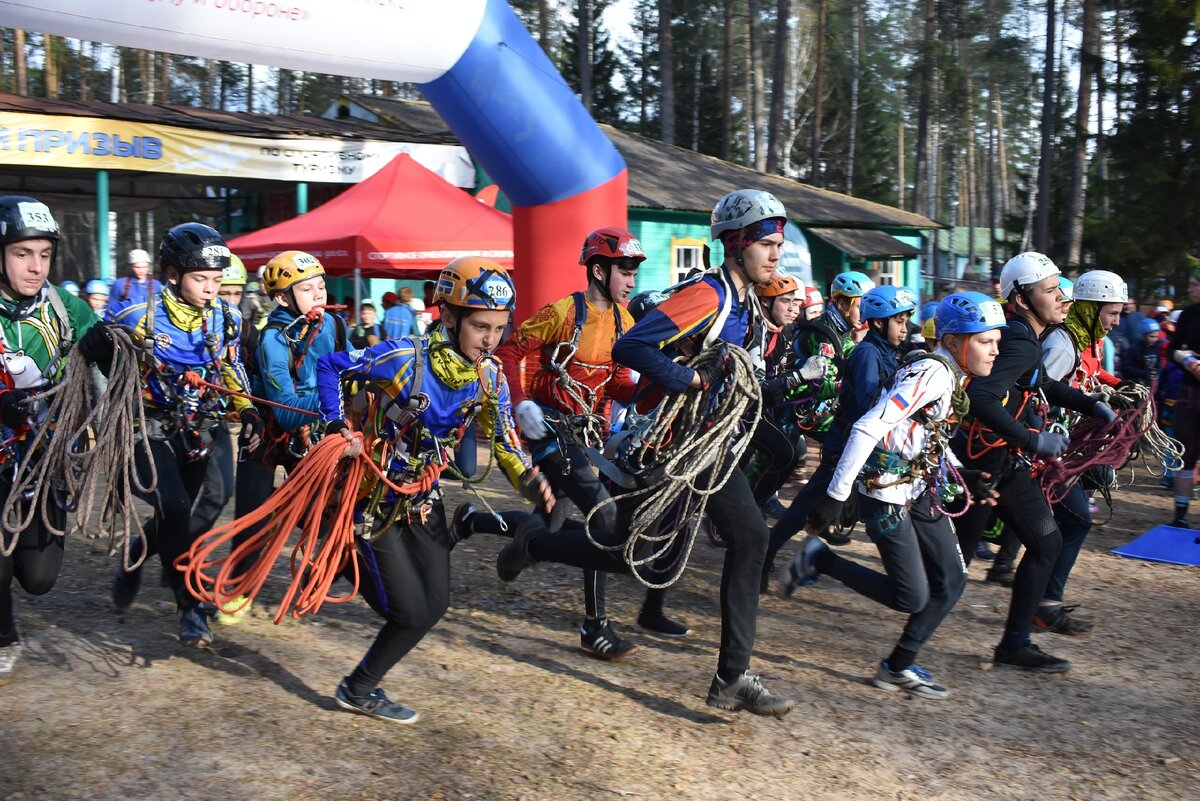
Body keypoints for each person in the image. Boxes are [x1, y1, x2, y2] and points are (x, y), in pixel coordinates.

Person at [495, 189, 798, 717]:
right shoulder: (709, 294)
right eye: (767, 243)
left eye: (779, 243)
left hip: (707, 449)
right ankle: (537, 545)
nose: (776, 252)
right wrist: (691, 379)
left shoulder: (747, 301)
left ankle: (732, 676)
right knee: (624, 552)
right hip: (671, 446)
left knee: (751, 537)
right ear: (735, 243)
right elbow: (631, 348)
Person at [315, 256, 553, 724]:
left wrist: (531, 482)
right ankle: (356, 675)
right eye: (481, 326)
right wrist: (334, 426)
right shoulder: (403, 357)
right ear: (447, 316)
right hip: (372, 499)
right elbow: (330, 366)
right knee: (407, 610)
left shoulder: (489, 378)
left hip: (424, 499)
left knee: (434, 606)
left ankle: (358, 686)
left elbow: (506, 443)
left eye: (500, 328)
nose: (491, 340)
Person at [781, 292, 1007, 698]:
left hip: (921, 488)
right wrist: (836, 494)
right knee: (911, 595)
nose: (996, 350)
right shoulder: (933, 374)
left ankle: (899, 665)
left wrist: (964, 473)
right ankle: (821, 560)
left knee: (953, 580)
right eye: (987, 341)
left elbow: (925, 433)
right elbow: (868, 426)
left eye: (996, 341)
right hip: (886, 493)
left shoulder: (951, 374)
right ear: (956, 342)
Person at [489, 226, 688, 658]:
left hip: (587, 435)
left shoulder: (626, 322)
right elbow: (508, 352)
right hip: (549, 429)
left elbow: (617, 382)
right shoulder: (561, 312)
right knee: (604, 520)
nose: (633, 280)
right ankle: (594, 627)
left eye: (635, 271)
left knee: (553, 514)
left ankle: (475, 522)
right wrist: (520, 402)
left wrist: (662, 388)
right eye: (626, 270)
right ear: (598, 271)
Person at [950, 253, 1115, 673]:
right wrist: (1033, 439)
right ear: (1022, 299)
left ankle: (1015, 644)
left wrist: (1091, 405)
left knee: (1032, 547)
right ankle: (825, 562)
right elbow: (982, 398)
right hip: (990, 467)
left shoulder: (1024, 335)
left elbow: (1042, 384)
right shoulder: (1021, 340)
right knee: (942, 579)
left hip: (994, 465)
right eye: (1051, 290)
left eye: (1061, 287)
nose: (1063, 297)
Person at [101, 223, 257, 649]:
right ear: (172, 274)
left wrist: (247, 408)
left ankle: (137, 555)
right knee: (173, 506)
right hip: (149, 430)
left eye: (217, 280)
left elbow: (230, 367)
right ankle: (189, 606)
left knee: (191, 509)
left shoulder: (227, 317)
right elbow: (104, 369)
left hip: (201, 428)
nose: (212, 289)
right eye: (201, 279)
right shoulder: (136, 316)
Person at [0, 196, 102, 684]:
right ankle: (3, 636)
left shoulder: (66, 307)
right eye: (23, 253)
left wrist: (112, 347)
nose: (36, 266)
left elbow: (113, 361)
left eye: (43, 254)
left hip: (47, 456)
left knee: (39, 579)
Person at [222, 250, 348, 625]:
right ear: (282, 298)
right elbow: (286, 409)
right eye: (308, 289)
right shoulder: (272, 339)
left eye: (322, 286)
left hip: (312, 437)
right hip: (266, 433)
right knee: (251, 520)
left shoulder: (335, 327)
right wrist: (334, 394)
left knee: (329, 520)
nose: (320, 295)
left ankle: (313, 566)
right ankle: (237, 589)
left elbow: (355, 367)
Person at [761, 270, 875, 575]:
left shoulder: (841, 332)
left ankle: (822, 519)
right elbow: (824, 379)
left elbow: (847, 363)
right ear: (841, 302)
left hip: (820, 412)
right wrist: (848, 385)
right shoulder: (822, 333)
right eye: (861, 304)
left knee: (841, 468)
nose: (866, 311)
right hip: (797, 411)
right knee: (776, 476)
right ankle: (764, 540)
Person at [1164, 261, 1200, 527]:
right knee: (1185, 453)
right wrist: (1188, 362)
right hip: (1189, 394)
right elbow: (1171, 349)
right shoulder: (1188, 314)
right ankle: (1180, 515)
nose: (1189, 287)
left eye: (1194, 283)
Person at [105, 248, 162, 319]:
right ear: (131, 266)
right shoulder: (119, 284)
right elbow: (111, 309)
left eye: (144, 267)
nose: (141, 270)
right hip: (125, 325)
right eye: (137, 267)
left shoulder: (156, 285)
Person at [1122, 319, 1163, 385]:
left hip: (1149, 382)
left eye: (1157, 337)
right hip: (1135, 383)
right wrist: (1144, 373)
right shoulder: (1135, 348)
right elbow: (1125, 367)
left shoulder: (1156, 347)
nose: (1155, 339)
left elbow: (1158, 363)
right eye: (1151, 336)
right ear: (1143, 335)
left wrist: (1157, 370)